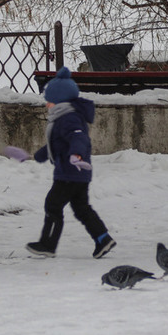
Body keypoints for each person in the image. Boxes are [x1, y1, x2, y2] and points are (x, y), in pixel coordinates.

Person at [24, 68, 116, 259]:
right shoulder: (64, 117)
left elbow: (78, 138)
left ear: (59, 101)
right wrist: (38, 156)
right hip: (77, 173)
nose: (47, 104)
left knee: (53, 205)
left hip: (70, 171)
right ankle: (103, 238)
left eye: (49, 100)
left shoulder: (68, 118)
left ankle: (47, 244)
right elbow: (57, 144)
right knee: (82, 209)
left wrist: (77, 155)